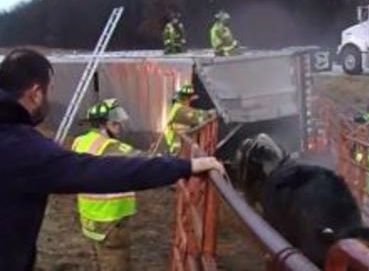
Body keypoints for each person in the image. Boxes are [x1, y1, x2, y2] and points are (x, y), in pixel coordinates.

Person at [0, 48, 223, 270]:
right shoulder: (21, 147)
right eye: (49, 91)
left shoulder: (78, 141)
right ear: (36, 92)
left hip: (90, 224)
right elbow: (113, 169)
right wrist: (185, 166)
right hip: (109, 225)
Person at [72, 98, 145, 270]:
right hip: (111, 222)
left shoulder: (79, 142)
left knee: (97, 262)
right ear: (103, 124)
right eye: (115, 122)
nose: (119, 125)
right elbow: (144, 160)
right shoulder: (110, 147)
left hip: (90, 219)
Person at [164, 84, 212, 155]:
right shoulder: (180, 110)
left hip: (177, 146)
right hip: (176, 148)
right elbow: (195, 117)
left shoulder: (178, 108)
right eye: (190, 98)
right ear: (186, 98)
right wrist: (209, 114)